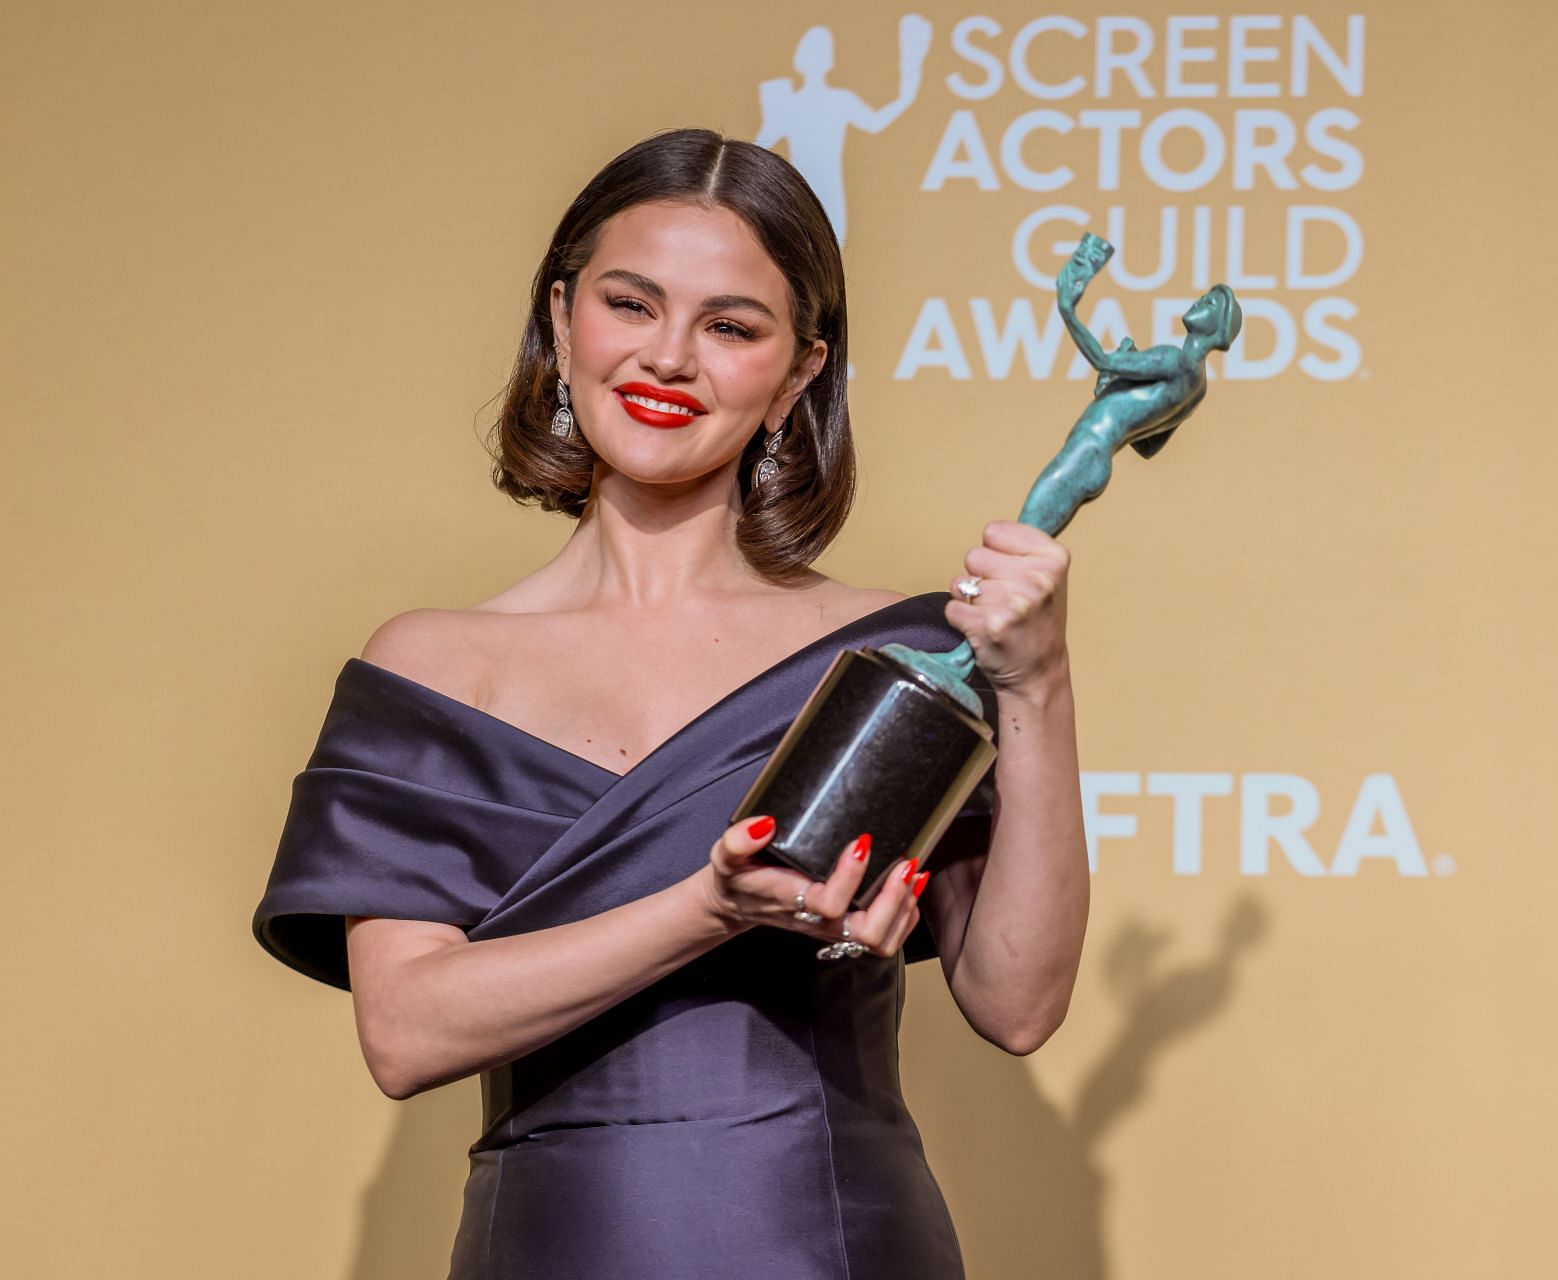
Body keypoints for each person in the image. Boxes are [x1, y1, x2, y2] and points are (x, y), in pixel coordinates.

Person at [251, 127, 1090, 1279]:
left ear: (800, 369)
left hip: (832, 1239)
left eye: (732, 326)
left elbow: (1017, 1001)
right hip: (557, 1242)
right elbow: (406, 1031)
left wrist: (1035, 682)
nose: (670, 359)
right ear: (561, 318)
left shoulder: (894, 654)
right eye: (631, 304)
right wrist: (712, 905)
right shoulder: (436, 669)